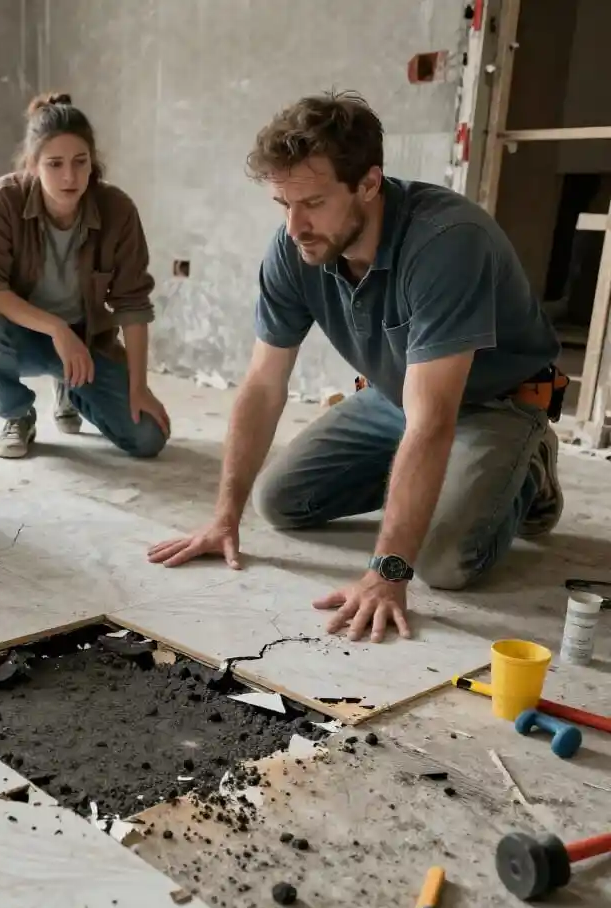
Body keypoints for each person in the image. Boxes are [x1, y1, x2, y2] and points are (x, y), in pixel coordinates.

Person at [148, 92, 565, 643]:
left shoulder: (446, 243)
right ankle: (433, 484)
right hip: (398, 398)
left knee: (443, 562)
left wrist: (387, 572)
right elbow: (263, 384)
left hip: (494, 403)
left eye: (314, 203)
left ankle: (529, 468)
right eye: (282, 204)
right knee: (281, 502)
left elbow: (434, 418)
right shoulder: (295, 247)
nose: (295, 226)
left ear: (369, 184)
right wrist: (225, 516)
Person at [0, 92, 170, 459]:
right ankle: (18, 414)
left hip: (85, 344)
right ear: (32, 165)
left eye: (80, 162)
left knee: (148, 438)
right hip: (20, 336)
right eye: (54, 164)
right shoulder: (2, 199)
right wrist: (55, 328)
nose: (70, 176)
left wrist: (139, 387)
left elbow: (132, 302)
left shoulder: (117, 209)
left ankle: (71, 387)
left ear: (92, 162)